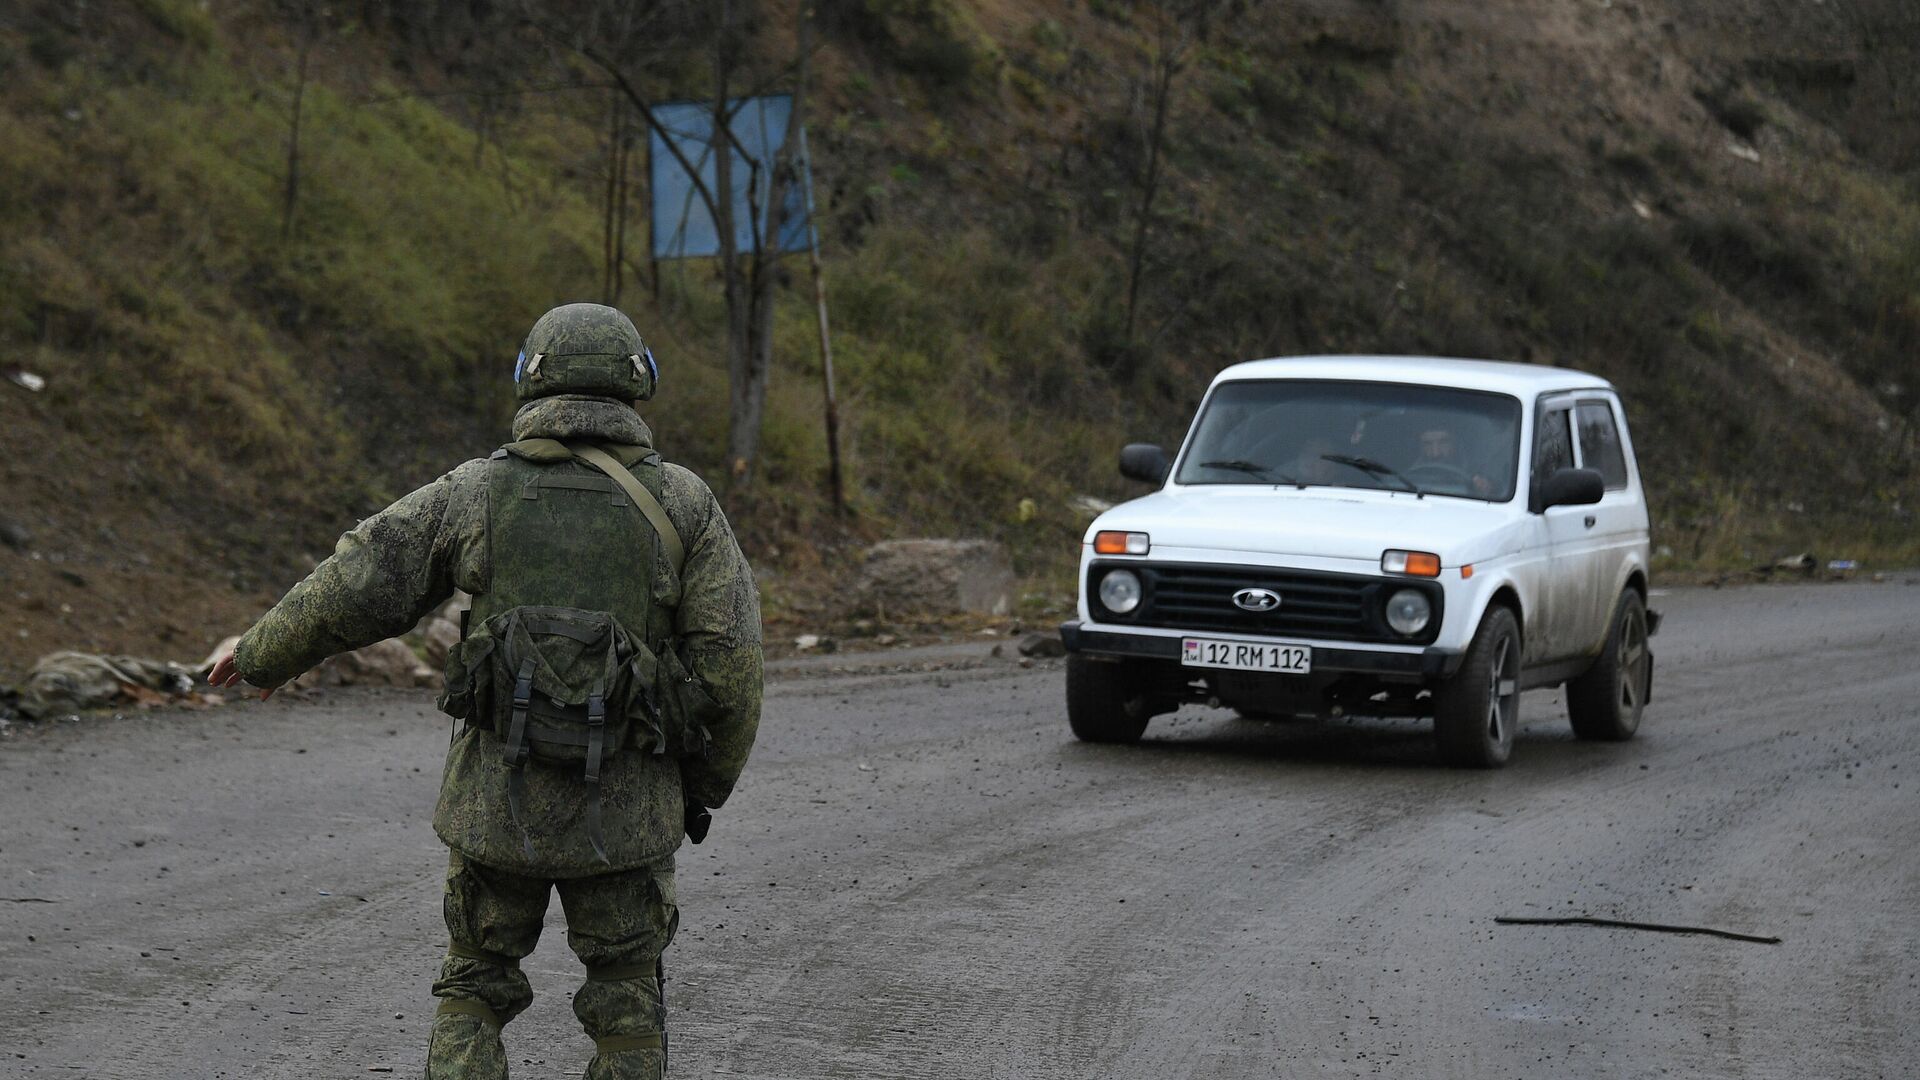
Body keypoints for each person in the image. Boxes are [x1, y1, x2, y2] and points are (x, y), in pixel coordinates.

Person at [207, 303, 764, 1080]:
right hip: (628, 816)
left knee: (473, 987)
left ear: (528, 380)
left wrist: (262, 653)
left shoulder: (477, 492)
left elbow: (364, 579)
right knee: (628, 1004)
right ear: (639, 385)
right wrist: (696, 789)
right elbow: (731, 674)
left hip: (496, 808)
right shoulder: (685, 505)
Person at [1412, 426, 1495, 496]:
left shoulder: (1477, 470)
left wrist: (1484, 487)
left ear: (1455, 444)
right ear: (1420, 447)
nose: (1436, 453)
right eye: (1427, 444)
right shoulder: (1404, 476)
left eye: (1443, 442)